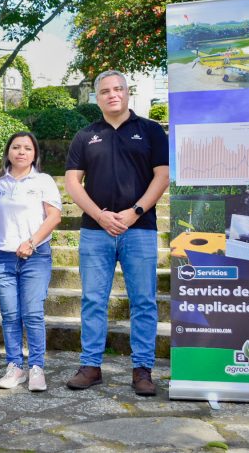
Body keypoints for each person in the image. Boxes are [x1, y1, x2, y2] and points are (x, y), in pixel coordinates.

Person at [64, 70, 169, 396]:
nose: (113, 94)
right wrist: (100, 214)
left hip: (140, 230)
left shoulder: (150, 131)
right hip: (96, 231)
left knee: (143, 301)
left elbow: (162, 176)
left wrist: (134, 212)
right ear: (98, 97)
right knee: (93, 300)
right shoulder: (85, 135)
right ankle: (91, 366)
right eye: (106, 90)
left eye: (119, 89)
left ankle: (142, 371)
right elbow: (71, 182)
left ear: (127, 92)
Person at [0, 132, 61, 391]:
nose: (21, 152)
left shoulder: (43, 180)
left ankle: (37, 368)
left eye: (27, 148)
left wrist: (31, 242)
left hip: (36, 256)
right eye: (16, 147)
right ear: (8, 151)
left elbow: (53, 217)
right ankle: (15, 367)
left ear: (35, 153)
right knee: (10, 315)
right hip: (1, 256)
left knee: (32, 313)